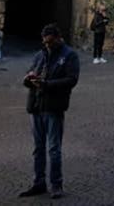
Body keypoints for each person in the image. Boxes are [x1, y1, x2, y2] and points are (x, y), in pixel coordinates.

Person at [19, 23, 80, 200]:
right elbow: (30, 73)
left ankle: (56, 184)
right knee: (38, 148)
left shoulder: (69, 55)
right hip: (36, 106)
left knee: (54, 148)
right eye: (45, 42)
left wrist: (47, 85)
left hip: (54, 107)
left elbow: (71, 80)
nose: (47, 45)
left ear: (58, 39)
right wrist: (29, 79)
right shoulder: (40, 55)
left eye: (50, 42)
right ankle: (39, 183)